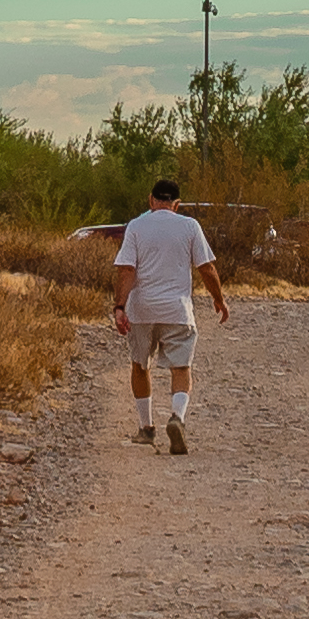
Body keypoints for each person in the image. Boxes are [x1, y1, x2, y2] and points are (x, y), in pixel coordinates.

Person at [112, 177, 227, 454]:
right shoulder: (189, 226)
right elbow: (206, 268)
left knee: (140, 365)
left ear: (151, 200)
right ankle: (177, 418)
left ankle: (146, 427)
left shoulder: (136, 227)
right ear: (177, 204)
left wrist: (119, 306)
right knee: (181, 368)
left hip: (142, 310)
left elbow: (127, 270)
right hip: (177, 310)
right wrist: (219, 299)